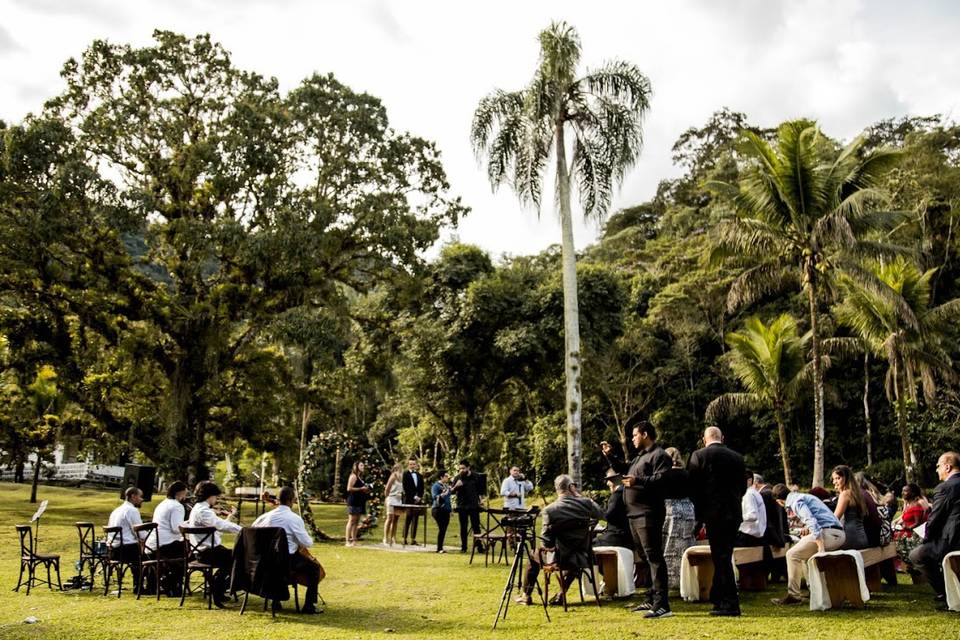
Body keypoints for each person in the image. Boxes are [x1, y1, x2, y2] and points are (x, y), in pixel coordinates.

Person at [601, 418, 674, 619]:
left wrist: (637, 481)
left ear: (644, 434)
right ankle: (651, 598)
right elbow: (624, 469)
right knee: (644, 558)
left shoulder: (659, 455)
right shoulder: (639, 457)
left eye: (634, 435)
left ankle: (662, 605)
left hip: (648, 514)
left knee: (654, 558)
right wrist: (610, 456)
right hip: (633, 514)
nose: (632, 439)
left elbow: (663, 480)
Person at [514, 474, 605, 606]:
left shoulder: (550, 510)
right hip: (583, 556)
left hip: (559, 559)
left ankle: (526, 595)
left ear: (557, 489)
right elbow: (602, 515)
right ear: (571, 487)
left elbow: (546, 542)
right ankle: (562, 594)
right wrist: (581, 497)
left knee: (533, 556)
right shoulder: (586, 504)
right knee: (573, 557)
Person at [687, 426, 747, 616]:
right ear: (723, 438)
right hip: (733, 513)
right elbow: (742, 488)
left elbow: (694, 490)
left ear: (704, 440)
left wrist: (700, 517)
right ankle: (719, 598)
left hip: (714, 514)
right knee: (723, 556)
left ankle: (730, 603)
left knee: (720, 557)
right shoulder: (737, 457)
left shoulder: (699, 456)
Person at [770, 484, 846, 605]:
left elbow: (811, 521)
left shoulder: (795, 502)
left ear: (779, 501)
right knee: (803, 555)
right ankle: (814, 591)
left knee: (792, 554)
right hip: (837, 533)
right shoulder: (803, 496)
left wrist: (820, 547)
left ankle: (793, 595)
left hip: (829, 533)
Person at [252, 486, 323, 614]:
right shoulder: (294, 519)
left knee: (278, 560)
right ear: (292, 500)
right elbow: (307, 542)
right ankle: (309, 605)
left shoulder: (263, 518)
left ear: (278, 500)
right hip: (285, 562)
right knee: (314, 568)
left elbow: (252, 534)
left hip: (263, 563)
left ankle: (275, 600)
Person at [909, 451, 960, 609]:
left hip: (953, 541)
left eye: (938, 466)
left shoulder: (945, 488)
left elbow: (934, 519)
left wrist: (926, 538)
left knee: (917, 555)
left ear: (947, 466)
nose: (936, 469)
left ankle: (946, 595)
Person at [186, 481, 242, 608]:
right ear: (210, 496)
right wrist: (241, 529)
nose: (216, 500)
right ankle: (217, 588)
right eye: (216, 497)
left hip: (203, 550)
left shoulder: (198, 509)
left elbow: (216, 528)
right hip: (208, 552)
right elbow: (221, 526)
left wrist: (230, 518)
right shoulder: (204, 511)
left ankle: (219, 589)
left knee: (234, 556)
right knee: (238, 557)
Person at [661, 447, 695, 590]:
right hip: (688, 510)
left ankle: (669, 581)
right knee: (686, 547)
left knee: (669, 547)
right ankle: (687, 581)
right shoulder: (688, 474)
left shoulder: (664, 475)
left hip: (670, 510)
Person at [148, 481, 187, 594]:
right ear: (179, 493)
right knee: (191, 550)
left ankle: (168, 581)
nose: (185, 497)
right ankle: (172, 583)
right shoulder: (177, 506)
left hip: (153, 544)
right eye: (184, 494)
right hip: (165, 545)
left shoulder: (163, 504)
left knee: (183, 548)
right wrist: (188, 526)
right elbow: (176, 528)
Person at [107, 486, 144, 591]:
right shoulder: (132, 510)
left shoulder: (116, 511)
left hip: (113, 549)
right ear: (133, 496)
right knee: (152, 554)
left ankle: (140, 584)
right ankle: (141, 586)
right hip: (126, 550)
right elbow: (139, 532)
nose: (142, 499)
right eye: (140, 497)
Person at [594, 468, 634, 549]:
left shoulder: (617, 495)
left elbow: (608, 516)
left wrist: (593, 506)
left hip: (617, 536)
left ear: (617, 479)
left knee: (588, 545)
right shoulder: (628, 491)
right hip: (628, 536)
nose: (607, 483)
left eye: (609, 479)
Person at [894, 482, 929, 572]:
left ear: (912, 493)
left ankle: (910, 566)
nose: (902, 493)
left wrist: (907, 527)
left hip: (913, 534)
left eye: (905, 491)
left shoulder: (916, 505)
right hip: (906, 531)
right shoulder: (909, 505)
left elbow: (918, 523)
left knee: (894, 541)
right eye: (902, 491)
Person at [450, 460, 483, 553]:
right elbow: (451, 492)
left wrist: (481, 500)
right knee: (463, 527)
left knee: (476, 527)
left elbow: (480, 490)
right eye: (460, 468)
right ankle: (464, 547)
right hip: (462, 506)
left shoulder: (476, 476)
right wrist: (456, 486)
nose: (461, 470)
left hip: (473, 506)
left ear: (468, 468)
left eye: (463, 468)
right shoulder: (458, 477)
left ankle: (479, 547)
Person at [736, 469, 766, 548]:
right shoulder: (755, 493)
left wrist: (736, 518)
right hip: (755, 537)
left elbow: (752, 516)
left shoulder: (748, 494)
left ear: (749, 481)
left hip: (748, 537)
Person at [345, 461, 370, 547]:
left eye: (363, 465)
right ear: (356, 466)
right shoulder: (353, 476)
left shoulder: (360, 477)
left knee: (356, 521)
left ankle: (354, 540)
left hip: (359, 501)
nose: (363, 467)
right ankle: (347, 540)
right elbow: (349, 488)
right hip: (353, 501)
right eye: (361, 465)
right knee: (351, 521)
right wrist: (360, 488)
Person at [401, 458, 425, 545]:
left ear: (416, 465)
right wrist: (414, 497)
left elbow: (422, 488)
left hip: (417, 501)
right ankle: (404, 538)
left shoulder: (419, 475)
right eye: (410, 464)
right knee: (408, 519)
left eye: (413, 464)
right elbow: (406, 488)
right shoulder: (405, 474)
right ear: (408, 465)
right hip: (409, 500)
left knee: (416, 519)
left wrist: (419, 497)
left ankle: (413, 539)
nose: (412, 465)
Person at [431, 471, 453, 553]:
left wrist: (450, 510)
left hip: (446, 510)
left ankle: (440, 547)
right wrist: (443, 494)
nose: (448, 477)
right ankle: (439, 548)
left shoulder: (446, 486)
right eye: (446, 476)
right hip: (438, 509)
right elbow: (435, 497)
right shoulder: (435, 486)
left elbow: (448, 499)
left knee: (444, 529)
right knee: (442, 528)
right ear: (441, 477)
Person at [383, 464, 404, 546]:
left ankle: (393, 537)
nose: (401, 470)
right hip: (391, 498)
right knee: (390, 518)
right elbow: (387, 489)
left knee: (396, 519)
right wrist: (387, 498)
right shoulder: (393, 476)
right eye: (400, 469)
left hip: (398, 499)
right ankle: (385, 538)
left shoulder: (401, 478)